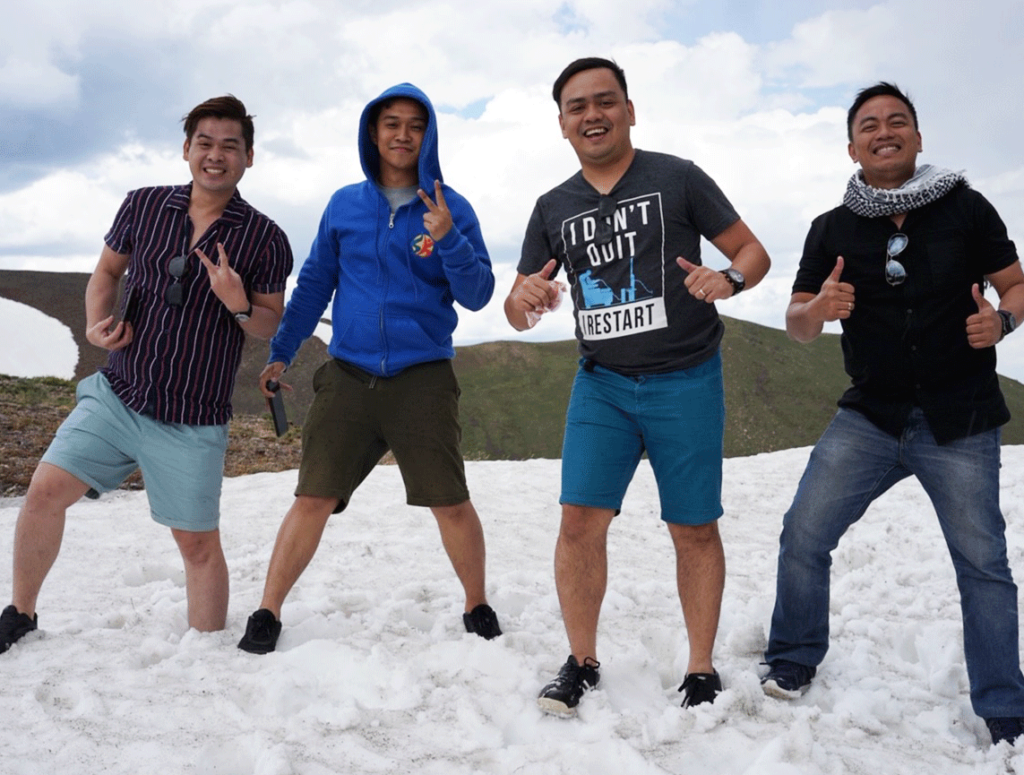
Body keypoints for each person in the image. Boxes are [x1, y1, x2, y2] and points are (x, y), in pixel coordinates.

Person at [505, 58, 770, 716]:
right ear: (562, 124)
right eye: (576, 106)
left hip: (687, 378)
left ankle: (701, 667)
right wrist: (526, 298)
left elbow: (752, 252)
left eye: (604, 101)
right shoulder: (553, 206)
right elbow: (516, 304)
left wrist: (727, 281)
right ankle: (581, 660)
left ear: (629, 109)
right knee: (578, 523)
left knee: (694, 528)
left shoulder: (677, 178)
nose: (591, 114)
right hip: (602, 386)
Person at [761, 82, 1024, 747]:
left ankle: (1004, 705)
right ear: (851, 146)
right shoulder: (832, 228)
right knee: (804, 533)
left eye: (897, 121)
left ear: (918, 136)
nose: (885, 131)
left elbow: (1016, 283)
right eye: (870, 124)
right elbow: (794, 320)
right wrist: (816, 311)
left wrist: (1004, 318)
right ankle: (793, 658)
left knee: (983, 563)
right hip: (871, 415)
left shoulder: (967, 208)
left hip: (960, 418)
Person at [0, 95, 293, 652]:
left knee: (198, 546)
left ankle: (205, 654)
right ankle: (19, 614)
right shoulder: (142, 205)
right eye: (204, 143)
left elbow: (268, 323)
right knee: (43, 492)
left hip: (192, 416)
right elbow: (107, 271)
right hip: (119, 391)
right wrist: (94, 327)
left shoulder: (265, 237)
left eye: (230, 146)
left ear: (248, 157)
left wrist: (235, 303)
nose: (215, 155)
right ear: (186, 149)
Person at [237, 83, 501, 655]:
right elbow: (313, 286)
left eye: (415, 125)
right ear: (373, 134)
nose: (403, 135)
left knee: (450, 501)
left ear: (429, 135)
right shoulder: (344, 205)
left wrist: (448, 237)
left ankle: (477, 604)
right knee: (313, 497)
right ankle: (267, 610)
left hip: (423, 377)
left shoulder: (451, 207)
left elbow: (479, 293)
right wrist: (280, 351)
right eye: (391, 124)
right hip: (349, 375)